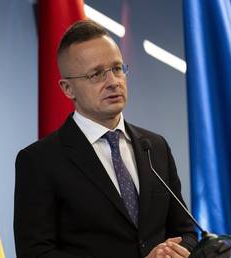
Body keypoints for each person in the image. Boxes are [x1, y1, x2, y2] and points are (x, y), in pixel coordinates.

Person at [14, 20, 198, 258]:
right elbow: (36, 253)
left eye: (117, 68)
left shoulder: (154, 146)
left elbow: (186, 231)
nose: (113, 82)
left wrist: (174, 251)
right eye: (96, 74)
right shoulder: (39, 161)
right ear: (67, 89)